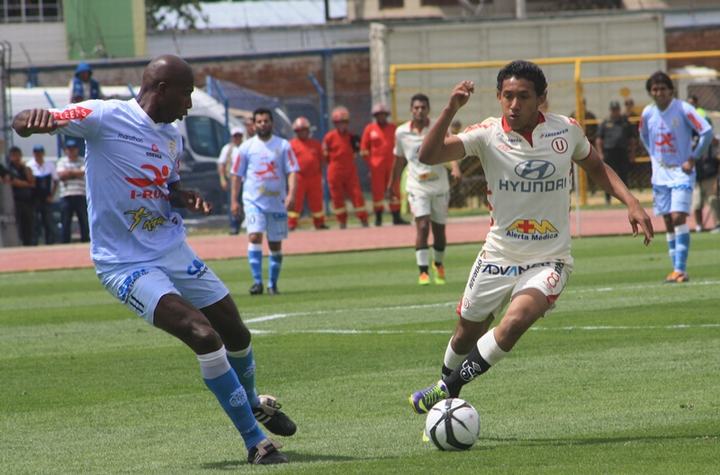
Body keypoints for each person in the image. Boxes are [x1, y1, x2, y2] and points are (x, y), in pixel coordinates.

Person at [13, 55, 294, 465]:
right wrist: (28, 119)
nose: (190, 105)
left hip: (172, 248)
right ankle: (255, 441)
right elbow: (24, 121)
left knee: (236, 332)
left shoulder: (170, 136)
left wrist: (184, 197)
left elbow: (167, 186)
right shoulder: (104, 116)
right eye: (186, 94)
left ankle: (251, 401)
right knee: (203, 334)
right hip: (124, 263)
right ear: (161, 89)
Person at [406, 60, 653, 414]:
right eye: (507, 96)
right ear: (498, 97)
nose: (514, 104)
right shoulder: (486, 134)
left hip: (550, 259)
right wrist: (450, 109)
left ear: (541, 98)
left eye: (523, 96)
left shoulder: (566, 131)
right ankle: (445, 395)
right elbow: (428, 155)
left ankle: (446, 389)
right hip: (498, 255)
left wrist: (631, 202)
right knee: (465, 333)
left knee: (516, 322)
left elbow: (597, 167)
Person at [639, 71, 712, 283]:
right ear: (650, 92)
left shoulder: (683, 109)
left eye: (663, 88)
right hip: (660, 174)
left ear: (671, 90)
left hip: (682, 172)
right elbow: (643, 135)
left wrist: (693, 157)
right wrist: (653, 156)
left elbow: (706, 131)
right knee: (668, 220)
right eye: (655, 89)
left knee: (678, 216)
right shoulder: (647, 113)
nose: (659, 92)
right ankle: (675, 269)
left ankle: (680, 269)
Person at [390, 93, 462, 286]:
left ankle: (438, 264)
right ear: (411, 110)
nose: (419, 111)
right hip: (417, 186)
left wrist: (455, 168)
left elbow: (451, 147)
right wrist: (392, 184)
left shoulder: (438, 127)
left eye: (423, 107)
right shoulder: (401, 132)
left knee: (439, 230)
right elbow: (398, 160)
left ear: (428, 109)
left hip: (439, 185)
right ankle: (423, 272)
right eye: (416, 108)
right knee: (422, 226)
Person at [231, 108, 298, 296]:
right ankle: (257, 282)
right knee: (254, 237)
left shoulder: (283, 145)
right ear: (254, 125)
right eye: (259, 122)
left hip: (277, 202)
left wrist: (292, 194)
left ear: (272, 123)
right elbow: (236, 175)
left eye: (266, 121)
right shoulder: (246, 148)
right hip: (254, 202)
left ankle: (272, 285)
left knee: (275, 244)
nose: (263, 124)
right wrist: (234, 201)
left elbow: (292, 171)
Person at [360, 103, 407, 226]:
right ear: (375, 116)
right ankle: (378, 218)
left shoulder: (393, 128)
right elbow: (364, 149)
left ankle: (396, 217)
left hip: (392, 165)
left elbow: (400, 146)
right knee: (378, 191)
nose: (381, 117)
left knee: (395, 189)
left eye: (383, 114)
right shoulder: (369, 129)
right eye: (378, 115)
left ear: (386, 115)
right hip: (376, 167)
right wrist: (371, 163)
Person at [322, 106, 369, 229]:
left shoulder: (352, 137)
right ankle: (342, 221)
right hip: (335, 171)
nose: (342, 125)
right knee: (337, 197)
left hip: (350, 171)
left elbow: (358, 151)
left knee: (357, 195)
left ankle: (363, 219)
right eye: (339, 122)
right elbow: (325, 155)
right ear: (335, 123)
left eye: (344, 122)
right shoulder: (329, 137)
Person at [288, 116, 327, 230]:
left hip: (314, 177)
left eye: (304, 130)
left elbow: (322, 160)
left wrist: (318, 173)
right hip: (298, 177)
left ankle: (319, 223)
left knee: (317, 201)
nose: (303, 133)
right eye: (300, 131)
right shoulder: (291, 145)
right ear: (296, 132)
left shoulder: (316, 144)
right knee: (296, 201)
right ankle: (291, 223)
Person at [596, 101, 637, 205]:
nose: (615, 111)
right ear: (610, 110)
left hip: (622, 152)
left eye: (616, 109)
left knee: (624, 176)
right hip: (609, 152)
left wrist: (632, 153)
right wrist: (600, 153)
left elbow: (632, 139)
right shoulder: (605, 122)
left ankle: (626, 199)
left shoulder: (625, 122)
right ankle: (608, 199)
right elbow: (599, 139)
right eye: (613, 109)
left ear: (619, 109)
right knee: (608, 177)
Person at [56, 137, 90, 243]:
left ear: (77, 149)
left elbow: (83, 173)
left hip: (80, 194)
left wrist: (69, 173)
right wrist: (75, 172)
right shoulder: (61, 161)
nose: (71, 150)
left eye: (73, 148)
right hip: (66, 195)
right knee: (65, 221)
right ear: (66, 150)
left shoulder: (83, 160)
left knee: (83, 220)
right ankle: (65, 242)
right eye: (69, 148)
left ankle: (85, 241)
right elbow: (61, 175)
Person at [28, 144, 58, 245]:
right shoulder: (29, 165)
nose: (38, 154)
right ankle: (34, 242)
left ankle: (50, 242)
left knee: (48, 221)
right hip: (34, 197)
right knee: (35, 221)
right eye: (36, 152)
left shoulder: (49, 165)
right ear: (33, 154)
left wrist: (51, 195)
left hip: (46, 197)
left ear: (43, 153)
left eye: (40, 152)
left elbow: (56, 181)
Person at [6, 146, 36, 246]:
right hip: (15, 200)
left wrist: (25, 169)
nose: (16, 158)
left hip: (27, 200)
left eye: (17, 155)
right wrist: (27, 184)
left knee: (28, 224)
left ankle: (28, 243)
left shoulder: (25, 168)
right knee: (16, 224)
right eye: (13, 155)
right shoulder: (8, 169)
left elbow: (32, 181)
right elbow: (13, 182)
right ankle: (17, 244)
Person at [218, 127, 244, 235]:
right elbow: (221, 164)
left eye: (239, 135)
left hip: (245, 180)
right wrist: (222, 179)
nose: (237, 138)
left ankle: (244, 222)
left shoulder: (246, 147)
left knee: (244, 202)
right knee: (234, 202)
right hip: (232, 180)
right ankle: (234, 225)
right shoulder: (227, 149)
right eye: (235, 136)